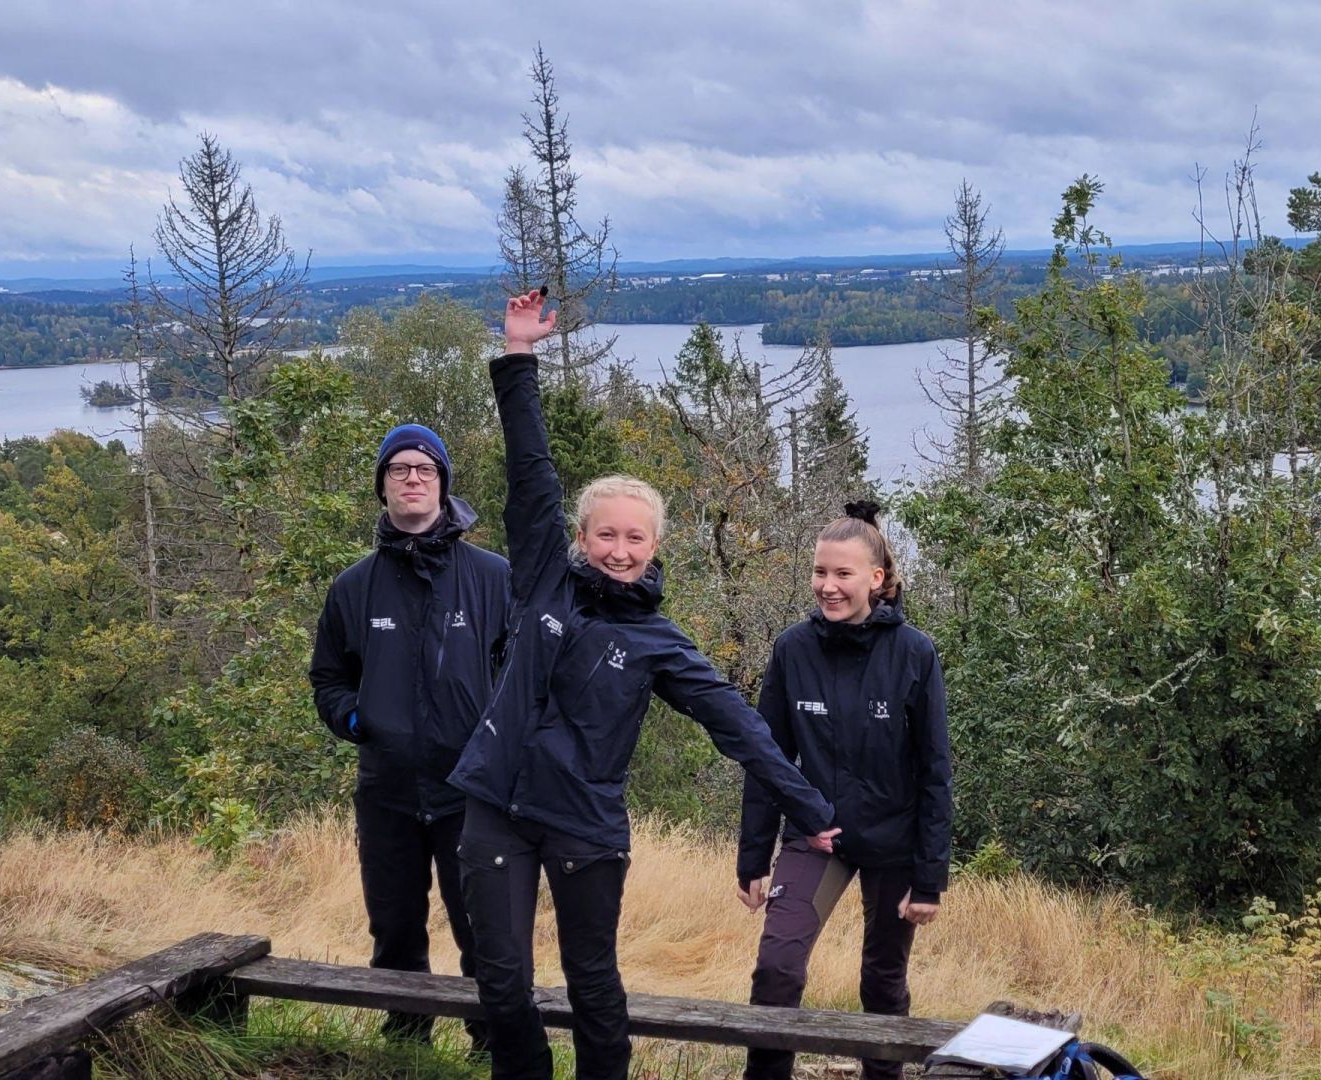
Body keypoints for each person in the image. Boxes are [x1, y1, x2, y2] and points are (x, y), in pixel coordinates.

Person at [447, 291, 841, 1080]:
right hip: (495, 803)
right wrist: (518, 355)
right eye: (605, 534)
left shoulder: (658, 641)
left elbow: (736, 722)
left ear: (655, 545)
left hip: (585, 823)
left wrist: (806, 806)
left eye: (635, 537)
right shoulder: (540, 579)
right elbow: (531, 469)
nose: (619, 549)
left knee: (593, 982)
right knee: (501, 981)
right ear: (581, 537)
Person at [310, 423, 510, 1050]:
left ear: (444, 484)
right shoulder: (353, 586)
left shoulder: (492, 577)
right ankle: (405, 1046)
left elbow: (523, 672)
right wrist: (354, 719)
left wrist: (498, 744)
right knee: (395, 929)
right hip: (387, 790)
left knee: (483, 930)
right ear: (383, 488)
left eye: (425, 469)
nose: (413, 479)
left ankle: (491, 1048)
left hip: (470, 793)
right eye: (399, 470)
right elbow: (328, 676)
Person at [737, 501, 952, 1080]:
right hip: (816, 837)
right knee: (777, 968)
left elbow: (936, 771)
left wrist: (929, 878)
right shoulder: (793, 649)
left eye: (842, 574)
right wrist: (753, 856)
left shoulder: (914, 654)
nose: (827, 587)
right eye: (819, 573)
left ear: (876, 580)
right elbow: (768, 758)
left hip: (893, 843)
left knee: (883, 980)